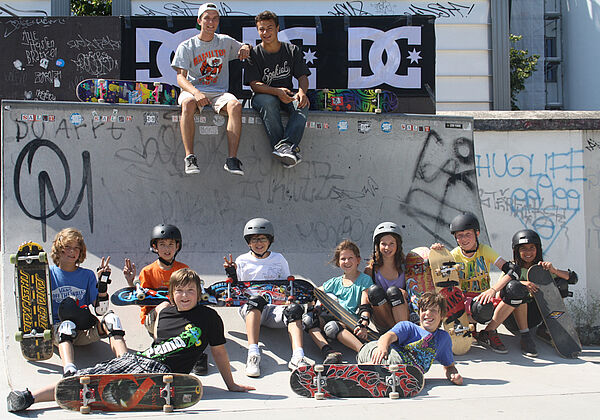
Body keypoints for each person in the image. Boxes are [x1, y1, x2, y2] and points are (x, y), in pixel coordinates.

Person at [7, 268, 254, 412]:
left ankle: (135, 387)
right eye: (179, 290)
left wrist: (230, 384)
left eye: (191, 291)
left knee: (102, 379)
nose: (185, 295)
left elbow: (220, 353)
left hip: (166, 372)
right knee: (90, 375)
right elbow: (158, 336)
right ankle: (29, 396)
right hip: (143, 361)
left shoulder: (209, 317)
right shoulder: (164, 310)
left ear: (199, 293)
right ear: (171, 293)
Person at [224, 218, 310, 377]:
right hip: (252, 309)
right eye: (254, 239)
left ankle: (298, 356)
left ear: (270, 241)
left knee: (295, 310)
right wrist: (231, 273)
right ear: (248, 242)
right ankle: (253, 354)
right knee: (256, 300)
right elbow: (237, 289)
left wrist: (289, 299)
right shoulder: (242, 260)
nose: (258, 243)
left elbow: (286, 285)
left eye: (263, 239)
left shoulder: (278, 259)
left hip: (274, 311)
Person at [171, 2, 251, 176]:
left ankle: (232, 160)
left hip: (218, 92)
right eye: (207, 18)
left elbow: (243, 47)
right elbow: (180, 77)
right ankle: (190, 157)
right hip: (193, 90)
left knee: (236, 106)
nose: (211, 22)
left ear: (218, 21)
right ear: (199, 21)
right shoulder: (187, 46)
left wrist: (246, 47)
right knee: (188, 104)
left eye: (215, 19)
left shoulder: (225, 41)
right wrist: (196, 92)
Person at [477, 229, 579, 357]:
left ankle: (545, 328)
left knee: (561, 283)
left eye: (532, 248)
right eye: (523, 249)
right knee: (516, 288)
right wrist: (521, 284)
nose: (528, 252)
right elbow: (500, 295)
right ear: (517, 251)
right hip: (512, 318)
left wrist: (554, 270)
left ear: (538, 249)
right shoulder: (513, 268)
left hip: (535, 316)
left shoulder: (540, 269)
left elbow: (573, 279)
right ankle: (525, 337)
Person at [124, 224, 208, 374]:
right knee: (163, 305)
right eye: (162, 245)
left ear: (177, 246)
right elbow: (140, 297)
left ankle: (197, 355)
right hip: (154, 318)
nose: (167, 249)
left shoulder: (183, 269)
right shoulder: (148, 271)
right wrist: (131, 282)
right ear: (155, 247)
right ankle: (159, 346)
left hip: (180, 316)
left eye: (170, 244)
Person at [431, 212, 519, 354]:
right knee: (481, 308)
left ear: (477, 233)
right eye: (459, 235)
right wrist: (438, 253)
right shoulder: (454, 255)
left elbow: (512, 270)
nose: (464, 239)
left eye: (468, 234)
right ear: (455, 237)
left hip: (484, 297)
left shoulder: (485, 250)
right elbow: (438, 276)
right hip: (464, 300)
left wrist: (493, 290)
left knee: (516, 289)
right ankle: (470, 328)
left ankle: (488, 332)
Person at [47, 228, 127, 377]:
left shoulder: (87, 275)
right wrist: (27, 256)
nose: (72, 252)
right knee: (66, 326)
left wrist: (102, 285)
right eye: (68, 247)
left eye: (76, 248)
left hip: (84, 331)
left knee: (112, 319)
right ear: (59, 249)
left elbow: (100, 310)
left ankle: (126, 363)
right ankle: (69, 371)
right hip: (58, 331)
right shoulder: (48, 273)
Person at [244, 10, 310, 168]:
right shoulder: (253, 53)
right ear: (257, 30)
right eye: (261, 29)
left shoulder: (292, 50)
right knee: (268, 102)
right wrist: (276, 92)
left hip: (286, 95)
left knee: (302, 104)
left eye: (269, 28)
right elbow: (254, 84)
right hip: (263, 96)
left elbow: (302, 77)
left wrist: (302, 92)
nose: (265, 32)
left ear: (278, 28)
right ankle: (287, 150)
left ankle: (285, 147)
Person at [357, 292, 462, 386]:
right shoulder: (408, 327)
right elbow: (387, 337)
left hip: (405, 370)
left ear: (442, 316)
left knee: (404, 366)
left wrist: (453, 375)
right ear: (419, 313)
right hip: (374, 351)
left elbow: (449, 366)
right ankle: (363, 369)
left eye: (433, 310)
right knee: (396, 358)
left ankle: (379, 372)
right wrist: (382, 348)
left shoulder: (443, 338)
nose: (428, 313)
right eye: (424, 310)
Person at [304, 240, 373, 364]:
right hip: (331, 317)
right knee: (309, 320)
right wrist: (309, 304)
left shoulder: (364, 280)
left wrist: (364, 322)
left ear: (358, 260)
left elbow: (365, 304)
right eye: (343, 259)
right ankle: (329, 352)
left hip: (351, 322)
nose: (347, 262)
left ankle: (364, 353)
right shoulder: (335, 282)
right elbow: (315, 293)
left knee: (332, 328)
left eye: (350, 258)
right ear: (338, 262)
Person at [360, 222, 411, 333]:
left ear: (398, 245)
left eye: (392, 243)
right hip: (382, 320)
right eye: (383, 244)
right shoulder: (371, 270)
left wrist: (437, 250)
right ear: (378, 245)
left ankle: (401, 333)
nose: (387, 247)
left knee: (395, 292)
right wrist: (364, 317)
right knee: (374, 291)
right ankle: (397, 334)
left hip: (402, 316)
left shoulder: (405, 267)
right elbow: (364, 293)